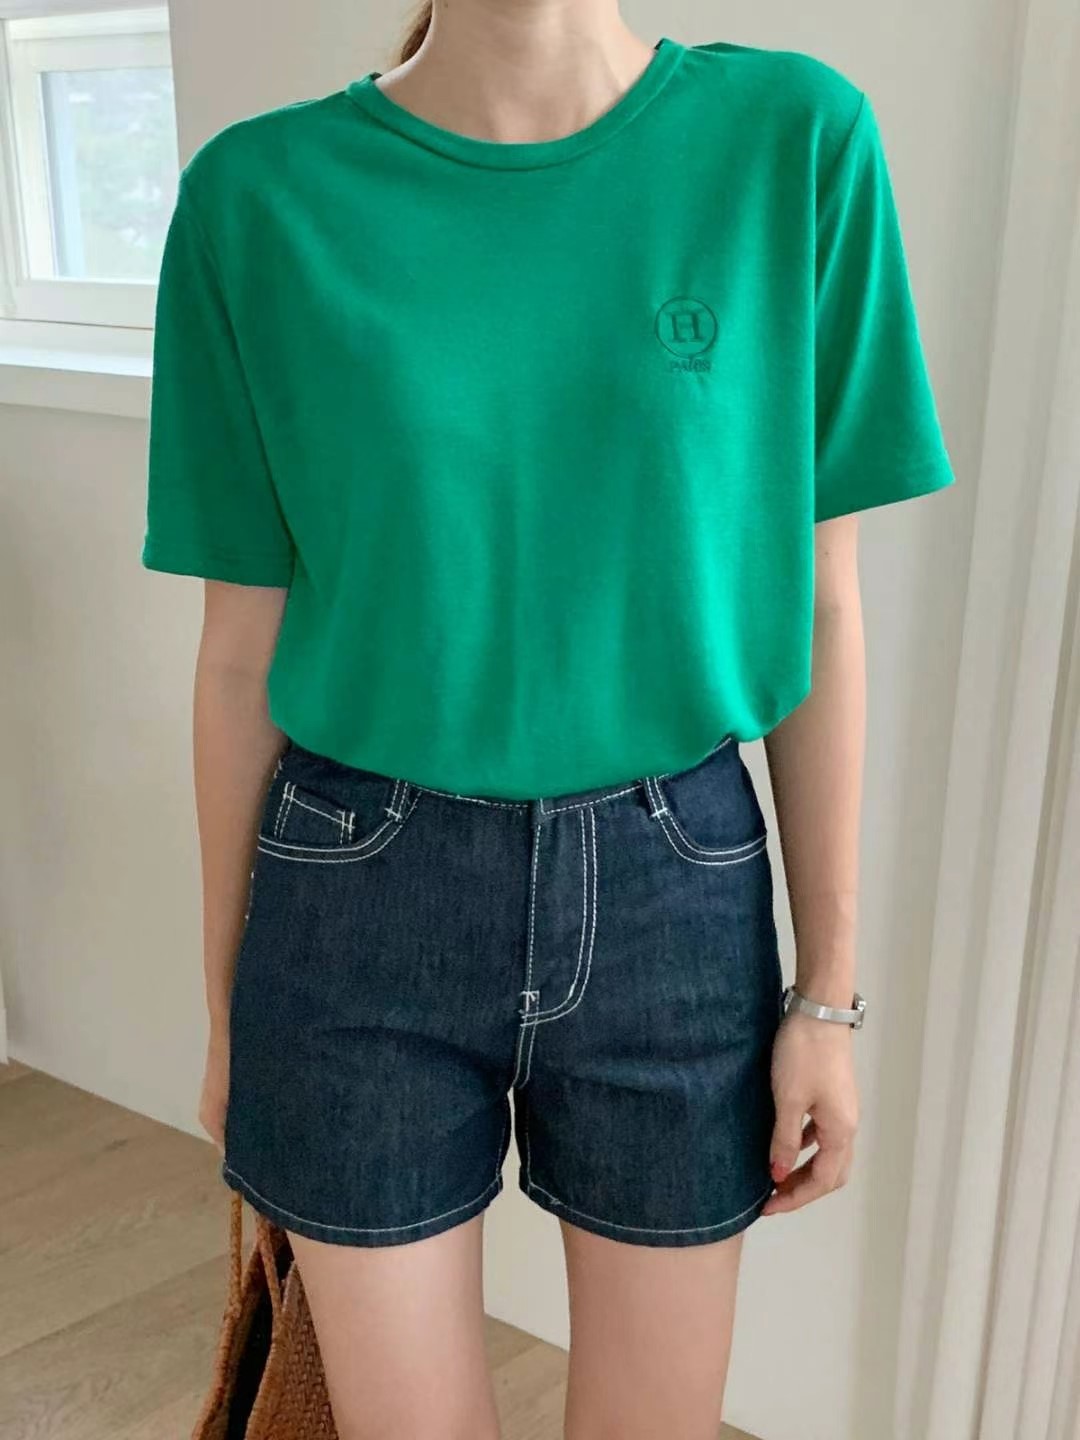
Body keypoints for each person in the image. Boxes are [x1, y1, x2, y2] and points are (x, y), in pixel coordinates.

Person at [141, 2, 956, 1436]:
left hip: (677, 892)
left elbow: (822, 609)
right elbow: (236, 660)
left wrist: (827, 997)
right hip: (355, 895)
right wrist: (227, 1016)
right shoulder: (256, 199)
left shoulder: (792, 141)